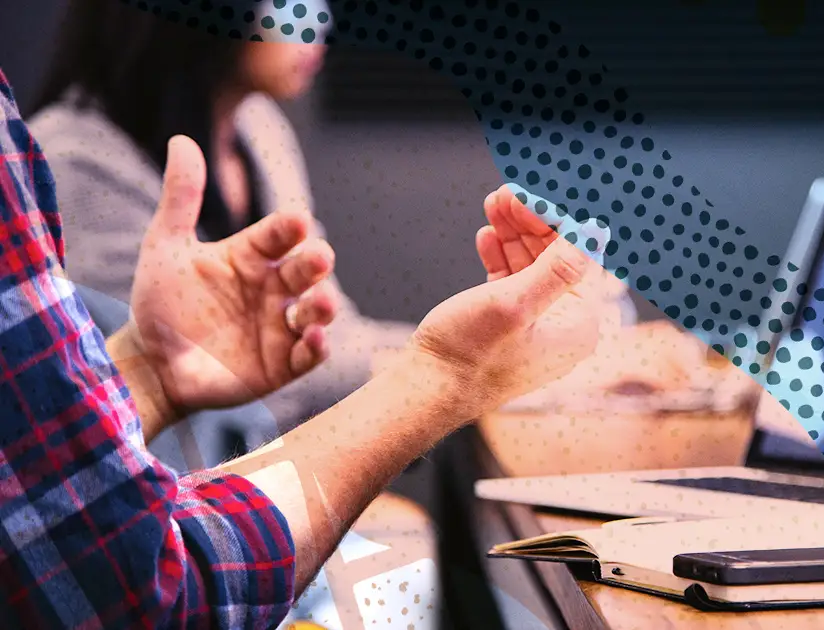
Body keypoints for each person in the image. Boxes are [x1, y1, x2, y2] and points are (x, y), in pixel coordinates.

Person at [0, 64, 605, 627]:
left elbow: (34, 473)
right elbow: (139, 590)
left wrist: (149, 374)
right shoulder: (75, 156)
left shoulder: (258, 128)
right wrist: (449, 373)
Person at [25, 0, 417, 466]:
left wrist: (448, 358)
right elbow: (220, 396)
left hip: (251, 484)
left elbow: (326, 332)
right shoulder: (72, 165)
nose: (317, 20)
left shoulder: (258, 126)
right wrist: (439, 362)